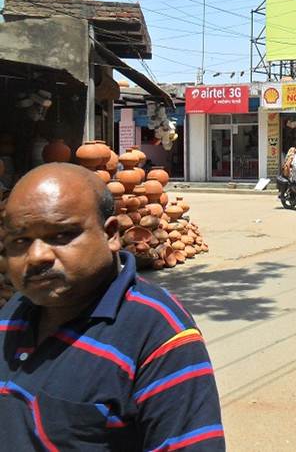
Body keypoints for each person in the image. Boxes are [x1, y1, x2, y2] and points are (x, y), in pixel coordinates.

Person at [0, 164, 224, 450]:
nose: (37, 256)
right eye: (20, 241)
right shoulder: (15, 311)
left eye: (61, 235)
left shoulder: (158, 333)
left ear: (111, 234)